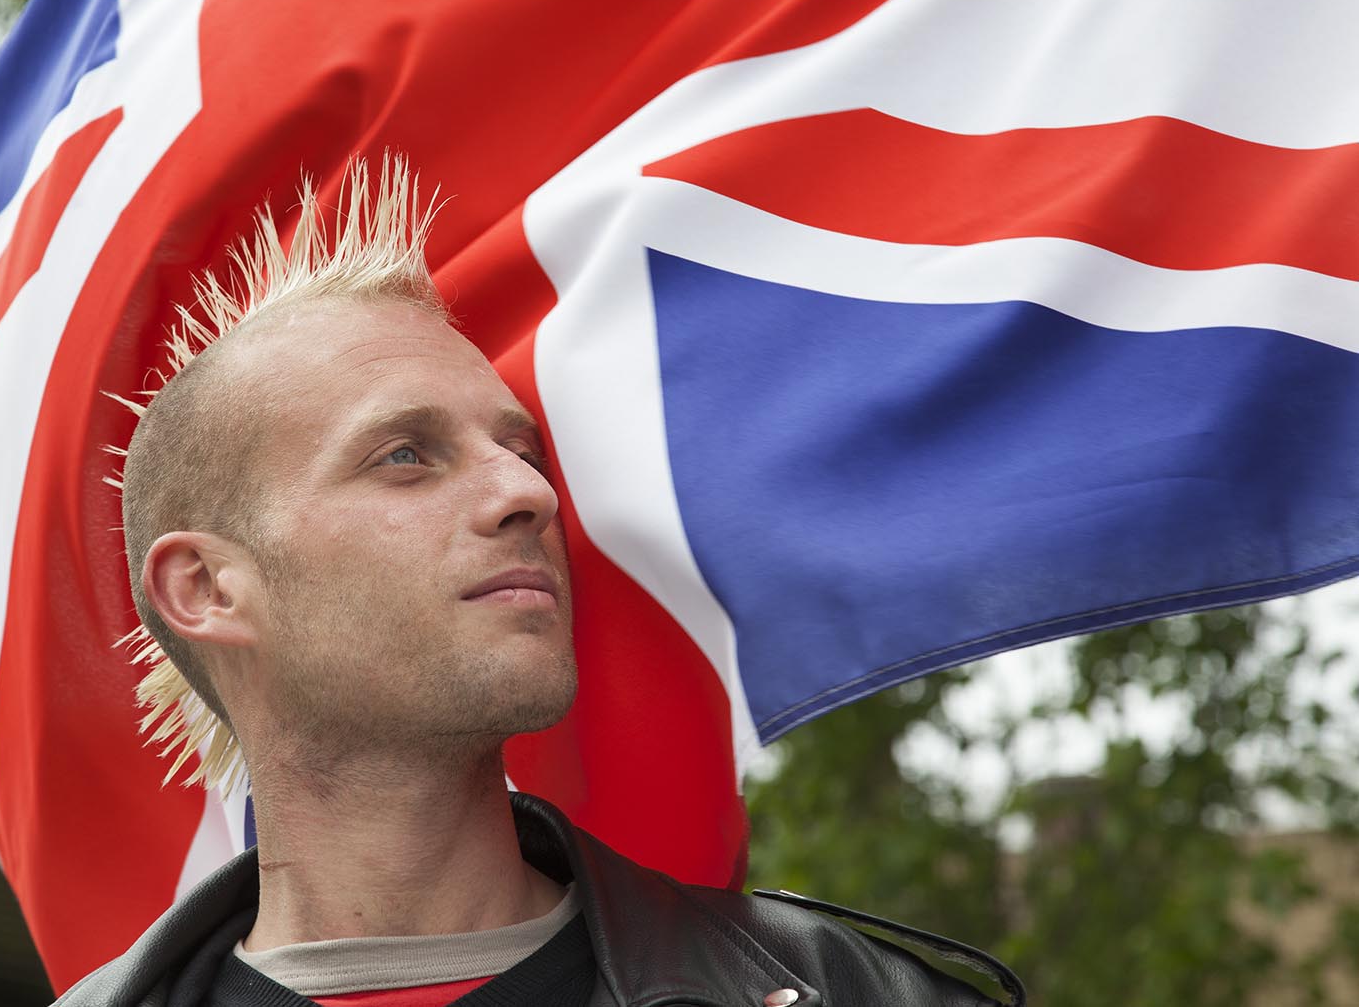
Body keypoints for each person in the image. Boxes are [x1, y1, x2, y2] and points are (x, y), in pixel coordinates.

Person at [58, 157, 1024, 1007]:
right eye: (404, 455)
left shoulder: (855, 993)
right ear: (208, 589)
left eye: (520, 449)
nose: (527, 492)